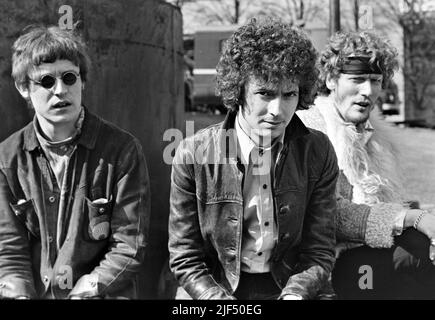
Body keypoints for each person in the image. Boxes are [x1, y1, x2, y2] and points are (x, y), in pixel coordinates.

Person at [168, 18, 339, 300]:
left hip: (295, 284)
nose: (277, 110)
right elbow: (185, 257)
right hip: (216, 287)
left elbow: (318, 251)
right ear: (239, 90)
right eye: (265, 93)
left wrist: (296, 294)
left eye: (289, 95)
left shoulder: (317, 150)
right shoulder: (192, 154)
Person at [0, 25, 150, 299]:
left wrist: (91, 286)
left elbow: (129, 243)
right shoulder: (7, 159)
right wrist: (20, 294)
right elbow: (9, 248)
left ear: (82, 81)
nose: (60, 90)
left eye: (69, 78)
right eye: (46, 81)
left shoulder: (122, 150)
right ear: (23, 88)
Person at [297, 30, 435, 299]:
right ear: (331, 79)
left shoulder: (379, 137)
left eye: (375, 80)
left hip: (373, 251)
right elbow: (329, 215)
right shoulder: (312, 129)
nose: (368, 92)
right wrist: (412, 219)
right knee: (414, 258)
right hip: (329, 263)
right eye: (357, 79)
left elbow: (388, 201)